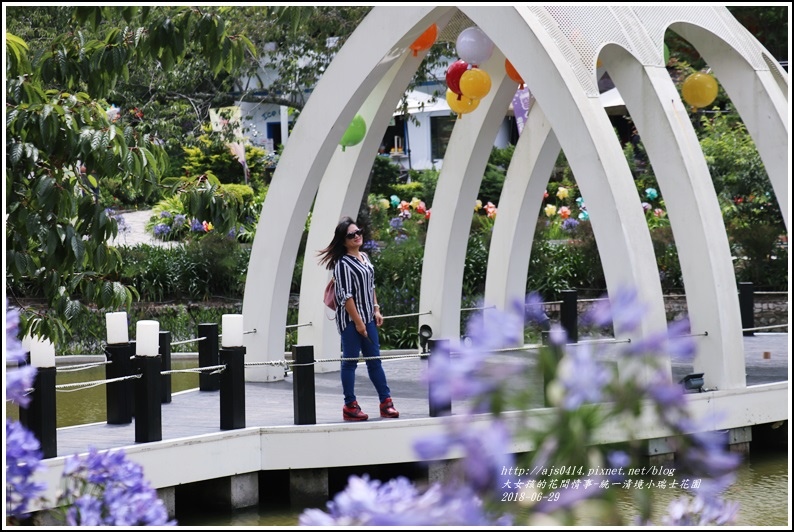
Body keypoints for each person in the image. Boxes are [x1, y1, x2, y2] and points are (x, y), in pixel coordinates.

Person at [317, 216, 399, 421]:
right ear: (343, 240)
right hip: (350, 321)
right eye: (351, 235)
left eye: (359, 232)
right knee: (350, 362)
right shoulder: (342, 264)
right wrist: (359, 323)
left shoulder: (364, 257)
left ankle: (386, 402)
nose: (357, 236)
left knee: (374, 361)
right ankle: (350, 405)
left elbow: (370, 287)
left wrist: (376, 309)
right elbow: (346, 296)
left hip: (368, 318)